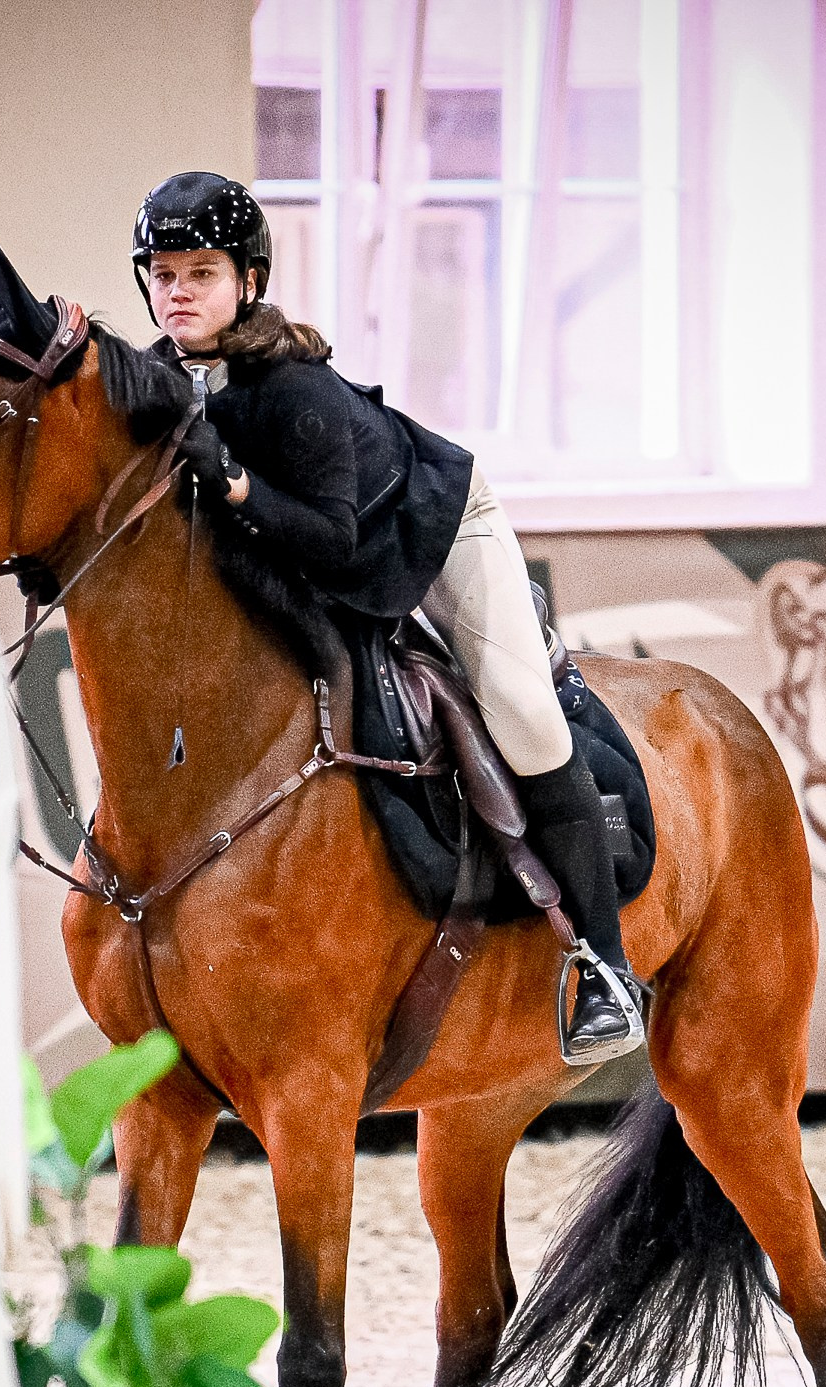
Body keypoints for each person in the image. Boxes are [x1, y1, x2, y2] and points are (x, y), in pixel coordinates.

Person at [132, 170, 642, 1064]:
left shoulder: (294, 391)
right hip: (326, 548)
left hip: (433, 531)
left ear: (247, 279)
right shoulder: (164, 375)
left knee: (522, 719)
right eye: (163, 273)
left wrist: (238, 482)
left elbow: (332, 539)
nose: (178, 291)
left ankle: (604, 969)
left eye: (200, 272)